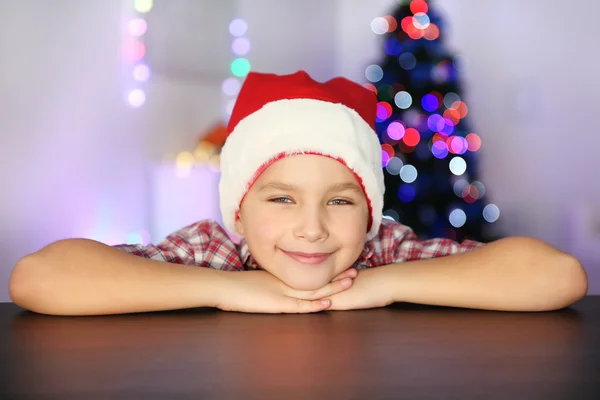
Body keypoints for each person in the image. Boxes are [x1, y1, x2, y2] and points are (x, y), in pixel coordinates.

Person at [9, 71, 588, 316]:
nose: (311, 229)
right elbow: (39, 278)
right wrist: (231, 291)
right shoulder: (216, 249)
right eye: (281, 199)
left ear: (369, 212)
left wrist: (381, 285)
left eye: (340, 201)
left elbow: (557, 276)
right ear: (238, 208)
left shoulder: (380, 249)